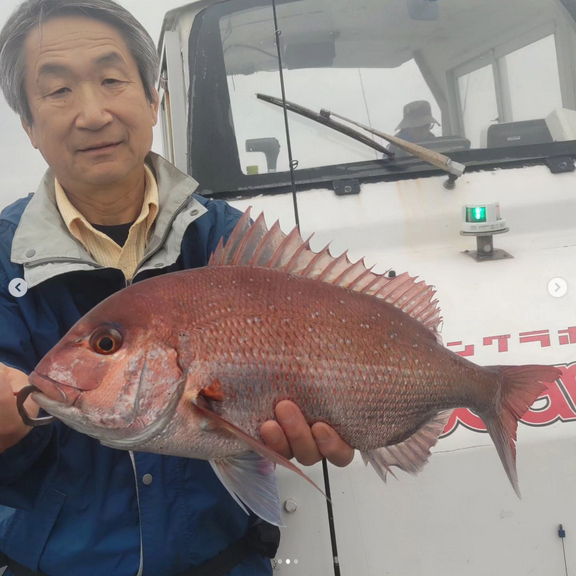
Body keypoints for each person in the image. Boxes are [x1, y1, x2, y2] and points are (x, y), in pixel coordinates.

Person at [0, 1, 354, 575]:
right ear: (29, 127)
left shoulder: (232, 243)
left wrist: (336, 407)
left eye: (113, 80)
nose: (92, 113)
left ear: (153, 100)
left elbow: (326, 360)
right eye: (58, 91)